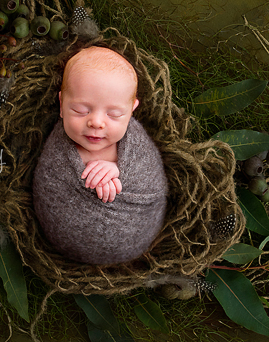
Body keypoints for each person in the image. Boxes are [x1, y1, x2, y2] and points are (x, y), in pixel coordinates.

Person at [32, 46, 168, 265]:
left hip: (138, 232)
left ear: (131, 111)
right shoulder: (59, 151)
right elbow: (48, 187)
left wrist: (120, 171)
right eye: (80, 110)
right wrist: (90, 184)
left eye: (114, 114)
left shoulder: (135, 142)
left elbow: (152, 177)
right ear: (61, 104)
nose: (96, 122)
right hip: (68, 240)